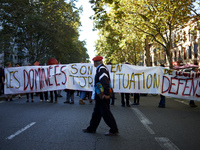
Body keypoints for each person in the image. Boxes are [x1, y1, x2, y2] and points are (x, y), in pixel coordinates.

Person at [82, 56, 118, 136]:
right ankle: (92, 128)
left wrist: (106, 94)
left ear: (96, 62)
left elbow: (104, 81)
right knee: (96, 113)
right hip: (100, 95)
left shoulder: (101, 69)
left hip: (102, 95)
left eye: (93, 62)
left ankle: (114, 129)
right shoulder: (101, 68)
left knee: (106, 113)